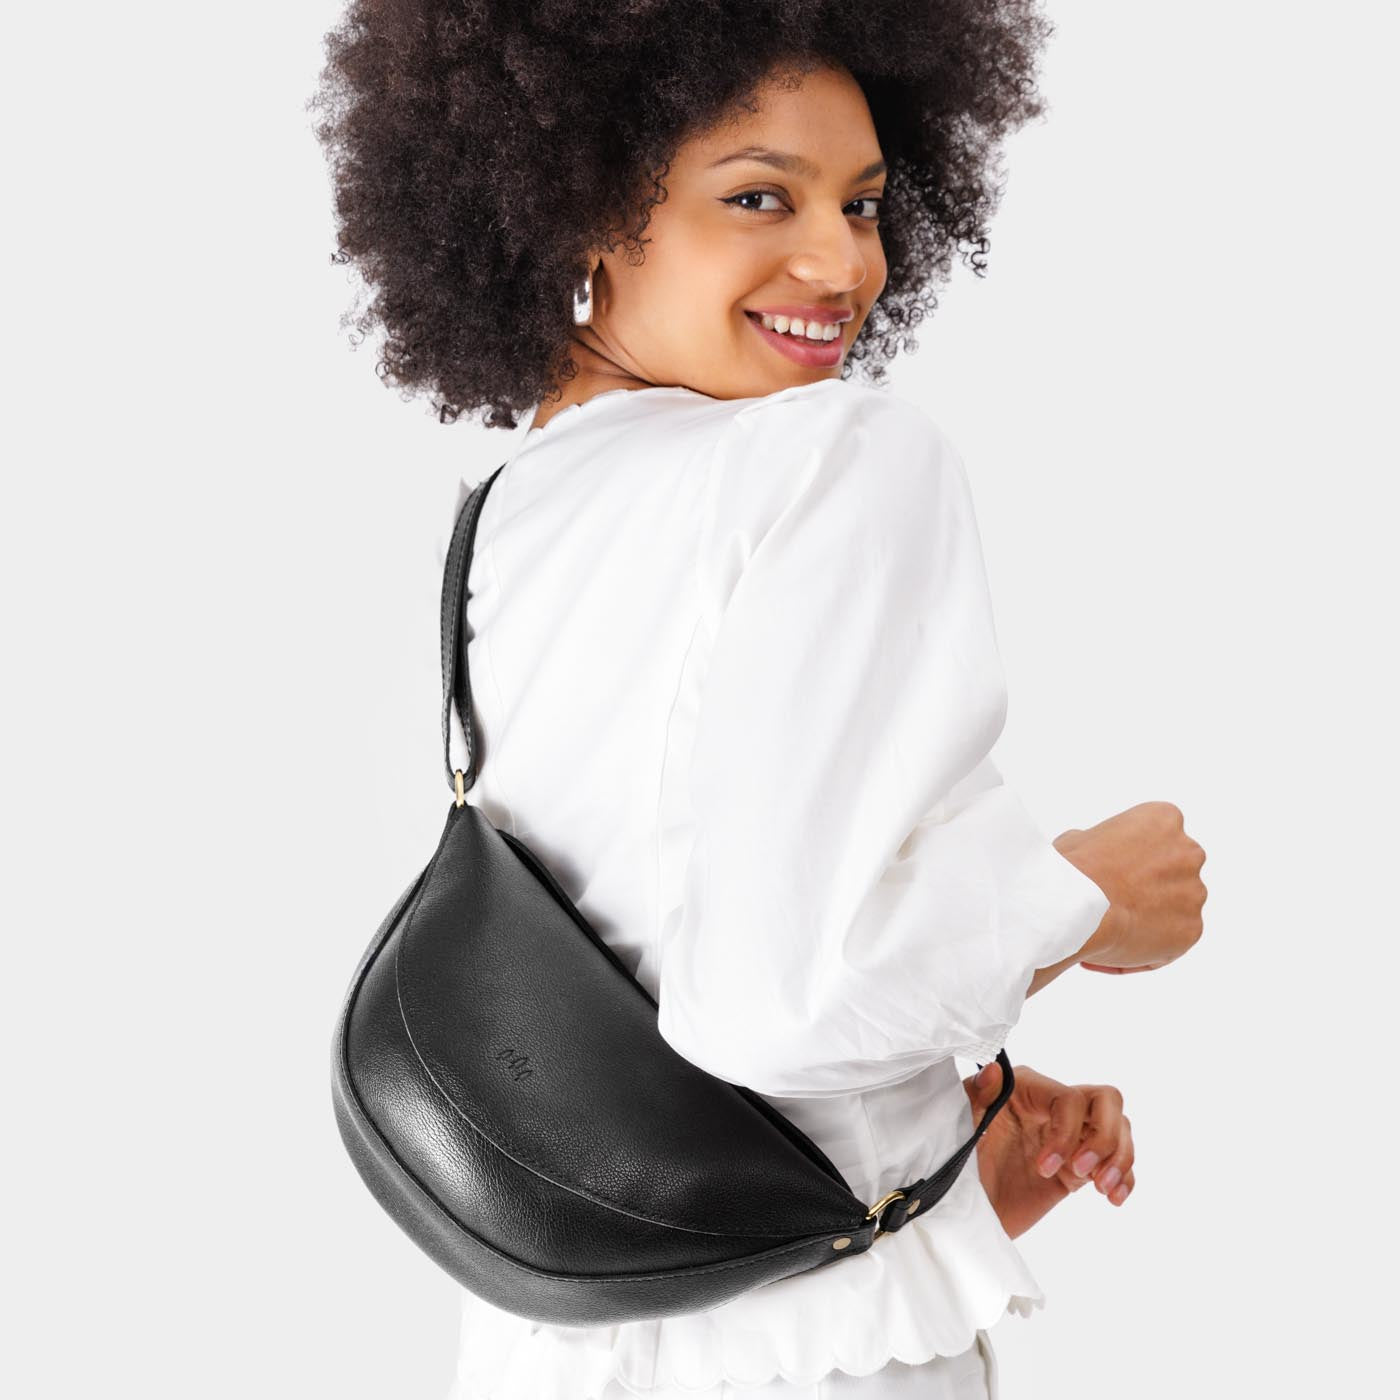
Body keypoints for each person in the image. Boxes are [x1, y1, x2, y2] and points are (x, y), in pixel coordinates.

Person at [311, 5, 1208, 1398]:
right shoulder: (829, 458)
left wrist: (924, 1144)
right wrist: (1084, 898)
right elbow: (781, 999)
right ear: (583, 208)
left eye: (864, 203)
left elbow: (653, 941)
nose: (843, 263)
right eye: (758, 198)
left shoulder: (511, 511)